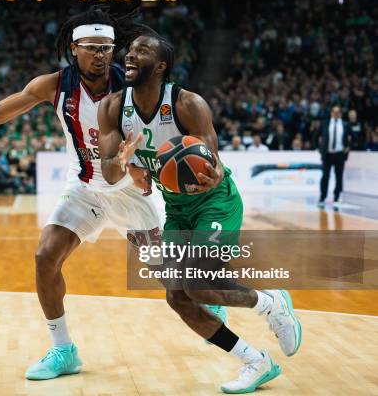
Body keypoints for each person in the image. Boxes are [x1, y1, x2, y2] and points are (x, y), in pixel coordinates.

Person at [0, 8, 223, 381]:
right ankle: (63, 350)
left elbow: (165, 122)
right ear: (74, 49)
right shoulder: (54, 85)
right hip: (87, 185)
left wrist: (161, 166)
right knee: (45, 256)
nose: (101, 54)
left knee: (172, 279)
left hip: (129, 190)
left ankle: (211, 298)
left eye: (107, 47)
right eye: (92, 47)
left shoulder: (131, 83)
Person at [98, 33, 302, 394]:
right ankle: (256, 362)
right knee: (177, 297)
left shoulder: (188, 103)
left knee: (198, 284)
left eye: (141, 51)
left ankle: (271, 303)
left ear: (161, 66)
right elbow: (110, 172)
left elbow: (212, 160)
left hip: (215, 202)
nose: (130, 55)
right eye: (129, 51)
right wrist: (124, 164)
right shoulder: (113, 107)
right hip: (176, 210)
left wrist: (214, 171)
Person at [318, 106, 351, 207]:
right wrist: (320, 149)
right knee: (325, 176)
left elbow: (352, 137)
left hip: (339, 154)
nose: (336, 114)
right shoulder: (325, 123)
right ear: (331, 113)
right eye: (334, 112)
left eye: (338, 112)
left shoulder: (345, 125)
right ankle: (323, 195)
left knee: (339, 176)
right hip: (328, 154)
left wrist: (348, 147)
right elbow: (316, 136)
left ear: (340, 113)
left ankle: (336, 196)